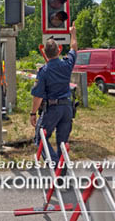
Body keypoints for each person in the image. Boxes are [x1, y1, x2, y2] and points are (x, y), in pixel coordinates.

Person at [30, 22, 77, 165]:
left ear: (44, 53)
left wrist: (33, 113)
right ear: (59, 50)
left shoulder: (44, 71)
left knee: (40, 137)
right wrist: (72, 33)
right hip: (67, 109)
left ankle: (55, 163)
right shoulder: (67, 64)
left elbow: (38, 96)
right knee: (62, 143)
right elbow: (74, 48)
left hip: (53, 110)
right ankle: (61, 175)